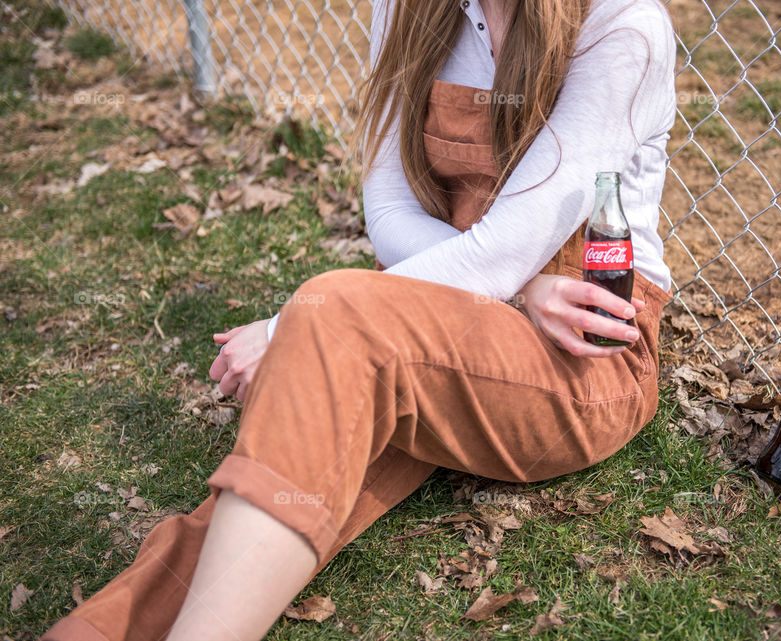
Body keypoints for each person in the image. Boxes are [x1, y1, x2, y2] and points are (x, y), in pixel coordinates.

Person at [41, 0, 676, 639]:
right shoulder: (408, 8)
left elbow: (504, 252)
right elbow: (392, 210)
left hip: (585, 350)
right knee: (271, 482)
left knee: (331, 318)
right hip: (439, 309)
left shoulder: (622, 25)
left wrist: (284, 325)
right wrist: (517, 283)